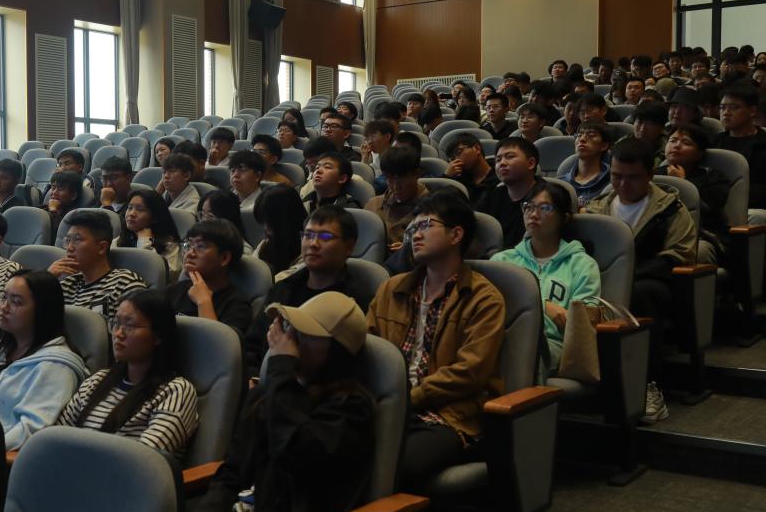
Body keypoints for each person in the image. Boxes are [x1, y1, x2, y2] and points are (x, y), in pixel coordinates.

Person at [188, 292, 374, 512]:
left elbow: (294, 447)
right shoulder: (268, 394)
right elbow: (233, 468)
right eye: (292, 331)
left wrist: (281, 367)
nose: (293, 341)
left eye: (306, 336)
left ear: (336, 350)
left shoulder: (351, 409)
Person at [366, 191, 505, 490]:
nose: (416, 235)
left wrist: (411, 397)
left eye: (426, 225)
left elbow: (471, 371)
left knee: (392, 463)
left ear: (456, 234)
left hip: (449, 416)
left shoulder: (483, 298)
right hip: (390, 406)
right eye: (413, 228)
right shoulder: (392, 290)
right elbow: (369, 351)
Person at [585, 139, 696, 424]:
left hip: (654, 282)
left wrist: (630, 275)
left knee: (639, 294)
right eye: (616, 176)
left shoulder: (670, 208)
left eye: (632, 178)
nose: (623, 184)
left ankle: (648, 384)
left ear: (649, 175)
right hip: (602, 283)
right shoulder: (598, 209)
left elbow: (678, 254)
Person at [0, 270, 88, 450]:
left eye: (16, 302)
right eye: (3, 297)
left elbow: (32, 430)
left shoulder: (56, 366)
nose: (3, 307)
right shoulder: (1, 349)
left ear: (43, 310)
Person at [58, 289, 198, 457]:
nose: (118, 334)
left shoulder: (176, 391)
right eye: (116, 324)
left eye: (130, 326)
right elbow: (57, 436)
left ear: (158, 336)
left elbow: (145, 459)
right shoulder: (97, 380)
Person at [243, 205, 374, 376]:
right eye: (308, 235)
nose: (313, 244)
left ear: (349, 247)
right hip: (269, 379)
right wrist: (253, 377)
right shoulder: (283, 288)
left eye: (325, 237)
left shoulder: (356, 302)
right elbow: (253, 345)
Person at [493, 182, 601, 381]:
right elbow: (489, 307)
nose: (533, 214)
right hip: (502, 335)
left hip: (552, 344)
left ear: (564, 218)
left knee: (527, 354)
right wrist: (544, 307)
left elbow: (582, 324)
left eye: (545, 208)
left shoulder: (582, 265)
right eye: (529, 207)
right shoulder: (502, 261)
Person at [48, 211, 147, 321]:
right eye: (67, 240)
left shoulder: (125, 283)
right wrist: (48, 279)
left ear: (101, 248)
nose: (69, 248)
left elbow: (131, 328)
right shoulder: (67, 285)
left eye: (77, 239)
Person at [167, 220, 252, 340]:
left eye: (201, 246)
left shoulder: (236, 305)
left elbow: (219, 348)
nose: (190, 254)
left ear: (224, 258)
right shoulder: (173, 290)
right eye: (189, 245)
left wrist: (204, 302)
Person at [657, 123, 729, 263]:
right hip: (660, 233)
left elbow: (709, 210)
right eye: (672, 140)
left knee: (699, 251)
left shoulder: (713, 177)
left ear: (699, 153)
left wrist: (682, 183)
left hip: (700, 234)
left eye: (686, 142)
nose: (676, 146)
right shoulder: (653, 176)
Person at [478, 137, 542, 249]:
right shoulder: (491, 195)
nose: (502, 163)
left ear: (531, 163)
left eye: (510, 157)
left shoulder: (549, 197)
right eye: (498, 160)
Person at [712, 84, 766, 212]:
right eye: (722, 108)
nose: (726, 113)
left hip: (754, 209)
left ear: (752, 111)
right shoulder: (714, 142)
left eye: (734, 108)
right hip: (716, 206)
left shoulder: (763, 143)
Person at [366, 146, 427, 249]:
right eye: (389, 179)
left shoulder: (432, 210)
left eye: (401, 179)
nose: (395, 187)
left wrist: (411, 249)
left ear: (417, 174)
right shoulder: (374, 204)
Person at [119, 189, 182, 278]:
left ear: (154, 218)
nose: (131, 214)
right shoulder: (120, 240)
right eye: (129, 208)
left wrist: (144, 242)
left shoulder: (169, 244)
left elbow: (167, 276)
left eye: (140, 209)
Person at [253, 186, 306, 280]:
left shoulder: (308, 249)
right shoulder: (266, 245)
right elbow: (252, 270)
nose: (266, 228)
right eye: (264, 222)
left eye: (270, 222)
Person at [557, 122, 612, 208]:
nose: (582, 139)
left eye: (591, 135)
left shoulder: (612, 183)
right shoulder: (560, 184)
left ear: (604, 145)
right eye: (579, 135)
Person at [444, 132, 499, 206]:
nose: (456, 160)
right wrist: (447, 177)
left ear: (477, 148)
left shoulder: (500, 174)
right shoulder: (459, 180)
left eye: (458, 152)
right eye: (452, 158)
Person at [198, 189, 253, 254]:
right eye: (202, 214)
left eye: (210, 216)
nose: (203, 221)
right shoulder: (197, 243)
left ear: (227, 218)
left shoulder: (242, 252)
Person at [44, 171, 84, 237]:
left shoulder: (74, 217)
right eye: (53, 188)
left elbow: (59, 235)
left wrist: (53, 210)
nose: (54, 192)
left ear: (73, 195)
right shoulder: (43, 208)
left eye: (60, 189)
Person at [360, 119, 396, 192]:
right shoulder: (377, 158)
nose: (369, 142)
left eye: (373, 137)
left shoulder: (396, 157)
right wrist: (364, 157)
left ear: (387, 137)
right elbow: (363, 179)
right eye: (367, 139)